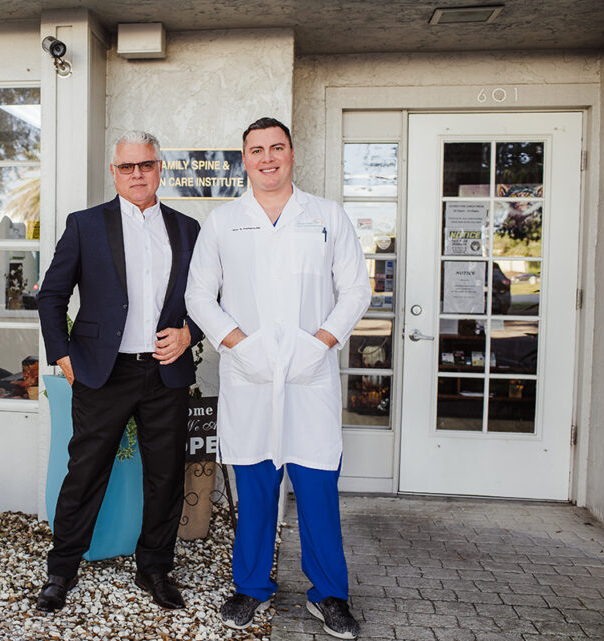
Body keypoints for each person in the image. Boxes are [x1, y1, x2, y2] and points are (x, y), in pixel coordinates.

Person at [185, 117, 370, 638]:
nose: (268, 158)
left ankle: (329, 595)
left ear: (292, 153)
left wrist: (321, 344)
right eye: (257, 150)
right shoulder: (223, 222)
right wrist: (239, 346)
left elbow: (356, 289)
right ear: (243, 159)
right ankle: (251, 587)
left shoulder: (327, 216)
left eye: (277, 148)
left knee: (316, 489)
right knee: (256, 489)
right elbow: (199, 295)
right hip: (250, 375)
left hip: (310, 375)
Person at [36, 130, 203, 613]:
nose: (137, 174)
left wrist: (189, 332)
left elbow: (211, 297)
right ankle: (62, 569)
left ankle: (154, 568)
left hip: (165, 372)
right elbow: (51, 296)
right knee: (85, 472)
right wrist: (63, 357)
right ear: (114, 172)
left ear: (159, 168)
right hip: (101, 373)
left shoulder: (187, 229)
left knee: (166, 475)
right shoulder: (86, 225)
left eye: (145, 165)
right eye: (127, 167)